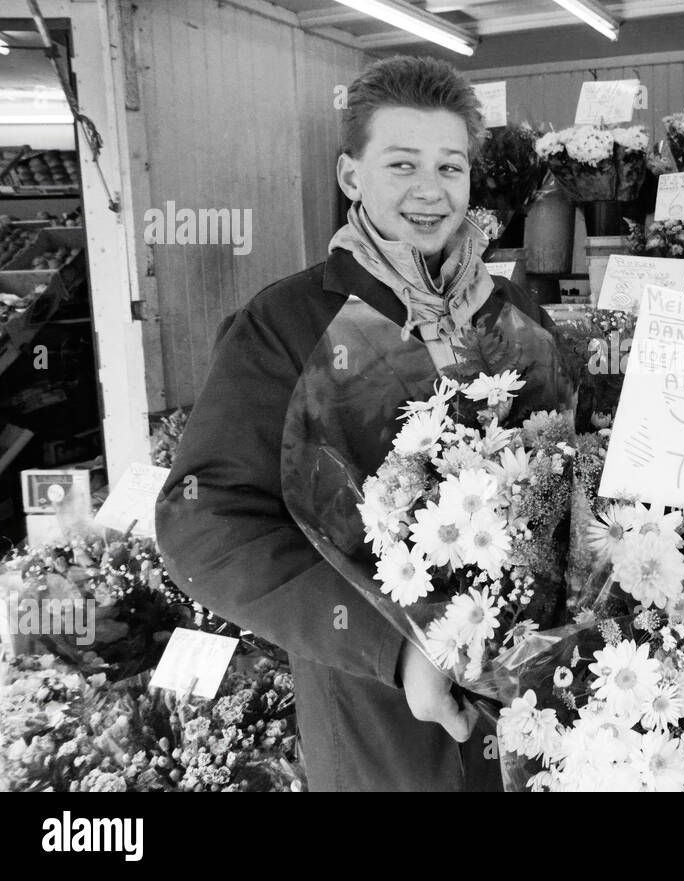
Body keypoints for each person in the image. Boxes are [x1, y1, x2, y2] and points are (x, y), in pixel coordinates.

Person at [154, 55, 567, 791]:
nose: (431, 191)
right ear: (351, 177)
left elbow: (563, 484)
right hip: (379, 726)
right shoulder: (286, 324)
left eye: (450, 166)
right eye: (402, 164)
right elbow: (205, 523)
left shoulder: (515, 315)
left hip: (531, 716)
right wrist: (395, 649)